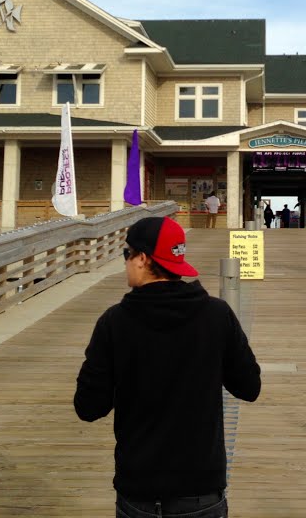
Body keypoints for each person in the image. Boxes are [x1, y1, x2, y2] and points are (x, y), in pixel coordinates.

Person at [75, 216, 262, 517]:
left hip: (138, 490)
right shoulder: (216, 315)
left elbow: (88, 407)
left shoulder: (114, 322)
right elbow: (249, 387)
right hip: (201, 489)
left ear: (143, 259)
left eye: (127, 254)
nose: (125, 262)